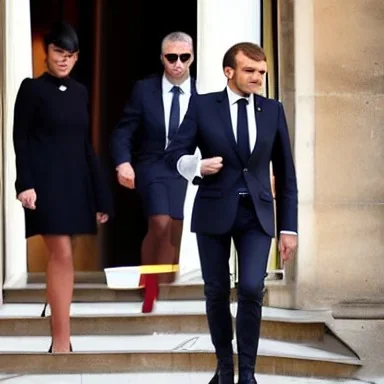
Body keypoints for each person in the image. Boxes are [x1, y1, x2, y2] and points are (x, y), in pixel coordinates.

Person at [165, 42, 298, 384]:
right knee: (216, 290)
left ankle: (248, 374)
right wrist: (197, 165)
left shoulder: (273, 110)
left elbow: (286, 173)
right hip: (213, 210)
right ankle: (225, 369)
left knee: (252, 287)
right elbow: (174, 153)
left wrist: (289, 228)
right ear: (229, 71)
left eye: (262, 73)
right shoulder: (203, 105)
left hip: (257, 214)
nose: (258, 78)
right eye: (250, 71)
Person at [13, 21, 112, 353]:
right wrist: (24, 184)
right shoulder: (31, 89)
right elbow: (20, 140)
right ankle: (60, 342)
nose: (64, 59)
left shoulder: (81, 92)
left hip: (75, 184)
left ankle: (59, 325)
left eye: (71, 54)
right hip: (43, 186)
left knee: (64, 257)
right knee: (62, 253)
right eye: (59, 52)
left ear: (77, 57)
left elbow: (86, 145)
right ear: (47, 51)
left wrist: (101, 195)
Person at [110, 31, 196, 313]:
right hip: (151, 163)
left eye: (184, 57)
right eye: (172, 57)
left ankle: (164, 287)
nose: (178, 64)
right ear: (162, 58)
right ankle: (150, 289)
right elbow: (124, 129)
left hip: (183, 168)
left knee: (174, 228)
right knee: (159, 222)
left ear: (192, 58)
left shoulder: (202, 95)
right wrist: (123, 162)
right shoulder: (143, 90)